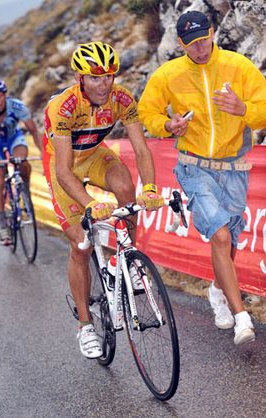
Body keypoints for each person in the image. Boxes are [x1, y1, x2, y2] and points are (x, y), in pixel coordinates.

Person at [138, 10, 266, 346]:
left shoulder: (238, 66)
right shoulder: (169, 74)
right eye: (193, 44)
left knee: (232, 239)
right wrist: (167, 125)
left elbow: (263, 104)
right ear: (180, 43)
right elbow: (147, 111)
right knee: (221, 237)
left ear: (213, 33)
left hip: (234, 167)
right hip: (194, 166)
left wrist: (245, 111)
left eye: (205, 39)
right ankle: (242, 318)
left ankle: (217, 290)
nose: (201, 49)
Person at [42, 41, 165, 359]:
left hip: (95, 156)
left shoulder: (123, 98)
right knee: (81, 245)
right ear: (79, 78)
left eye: (109, 76)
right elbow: (65, 171)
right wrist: (90, 203)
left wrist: (149, 188)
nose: (104, 84)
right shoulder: (64, 107)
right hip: (64, 166)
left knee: (126, 188)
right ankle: (85, 326)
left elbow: (141, 150)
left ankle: (120, 261)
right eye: (95, 78)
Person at [0, 78, 42, 244]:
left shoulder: (18, 106)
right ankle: (2, 227)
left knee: (21, 161)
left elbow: (34, 131)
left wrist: (44, 152)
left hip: (14, 138)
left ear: (5, 95)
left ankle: (24, 190)